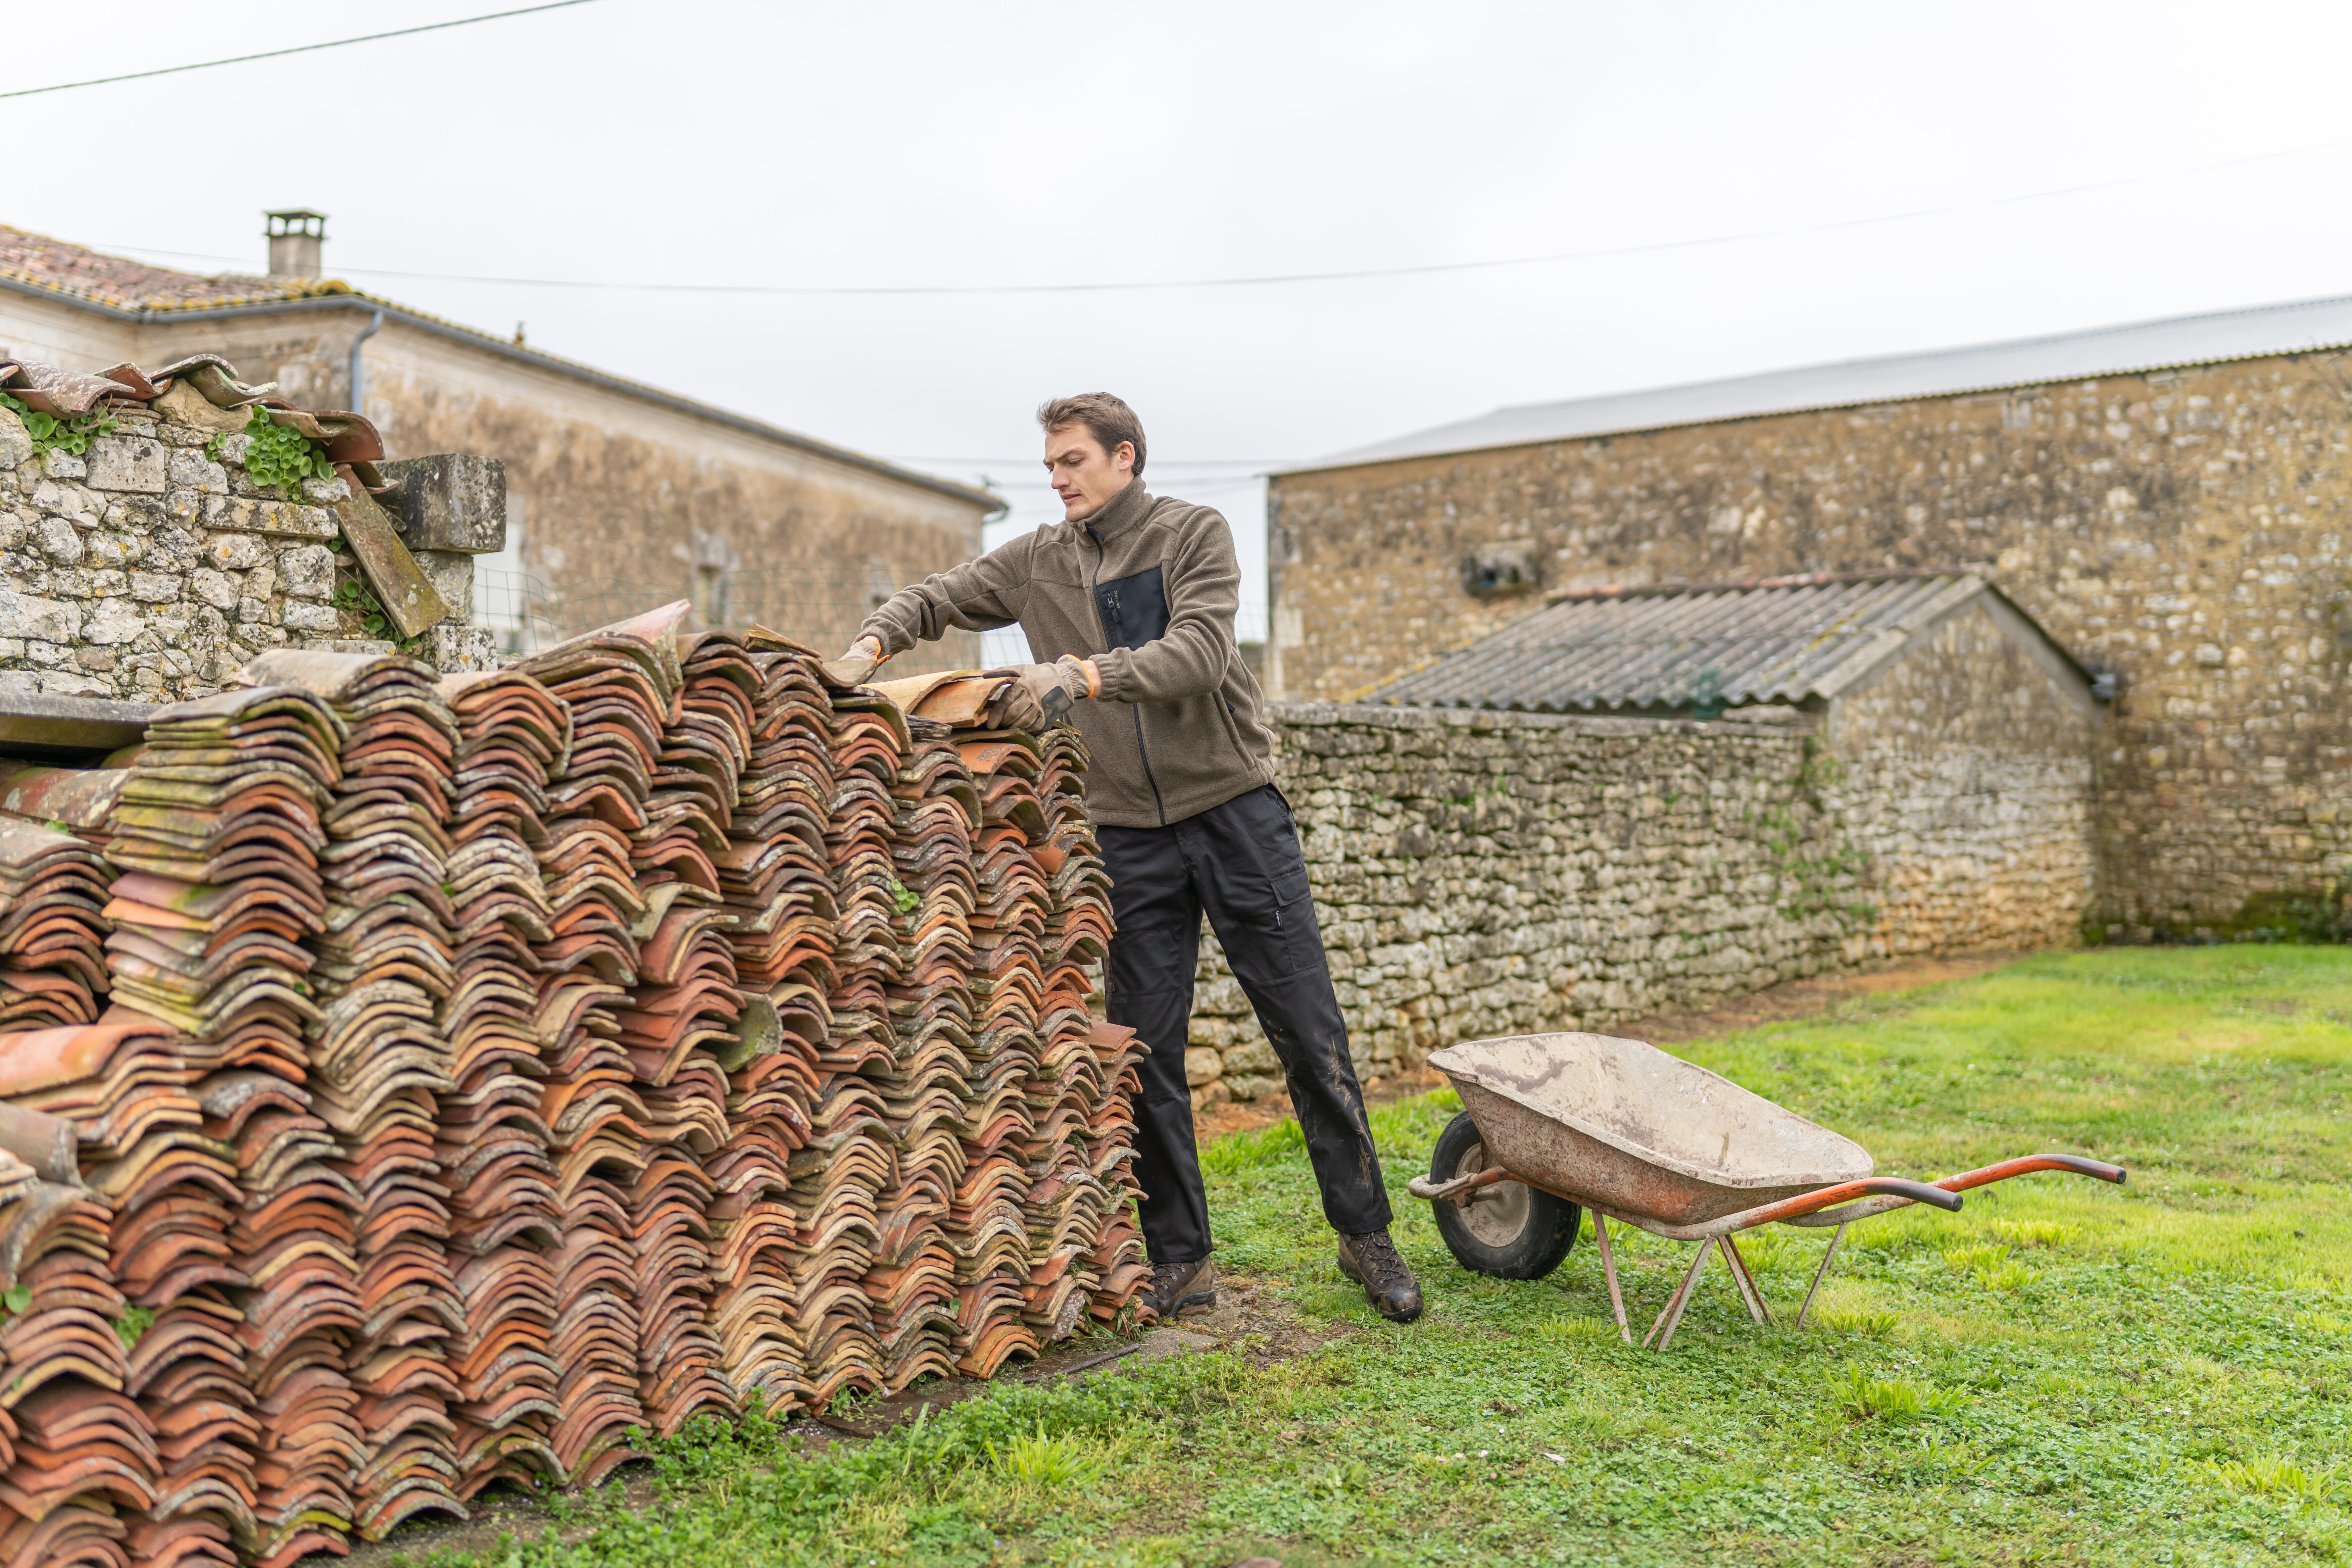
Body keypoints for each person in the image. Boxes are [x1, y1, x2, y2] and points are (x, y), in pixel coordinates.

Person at [823, 393, 1423, 1324]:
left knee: (1308, 1031)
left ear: (1125, 458)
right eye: (1051, 464)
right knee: (1145, 1050)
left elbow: (1198, 652)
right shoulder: (1036, 560)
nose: (1056, 478)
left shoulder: (1193, 536)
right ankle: (1181, 1258)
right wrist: (870, 644)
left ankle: (1366, 1236)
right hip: (1127, 838)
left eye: (1072, 461)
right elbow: (940, 596)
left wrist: (1080, 676)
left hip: (1235, 813)